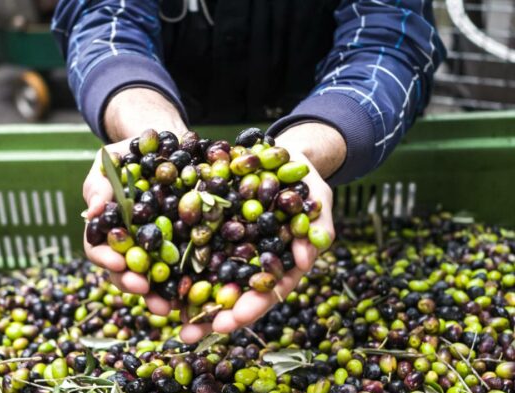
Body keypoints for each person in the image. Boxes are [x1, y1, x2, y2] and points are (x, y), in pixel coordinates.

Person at [52, 0, 445, 342]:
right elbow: (103, 18)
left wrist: (311, 143)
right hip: (170, 106)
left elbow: (390, 38)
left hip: (332, 141)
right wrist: (149, 129)